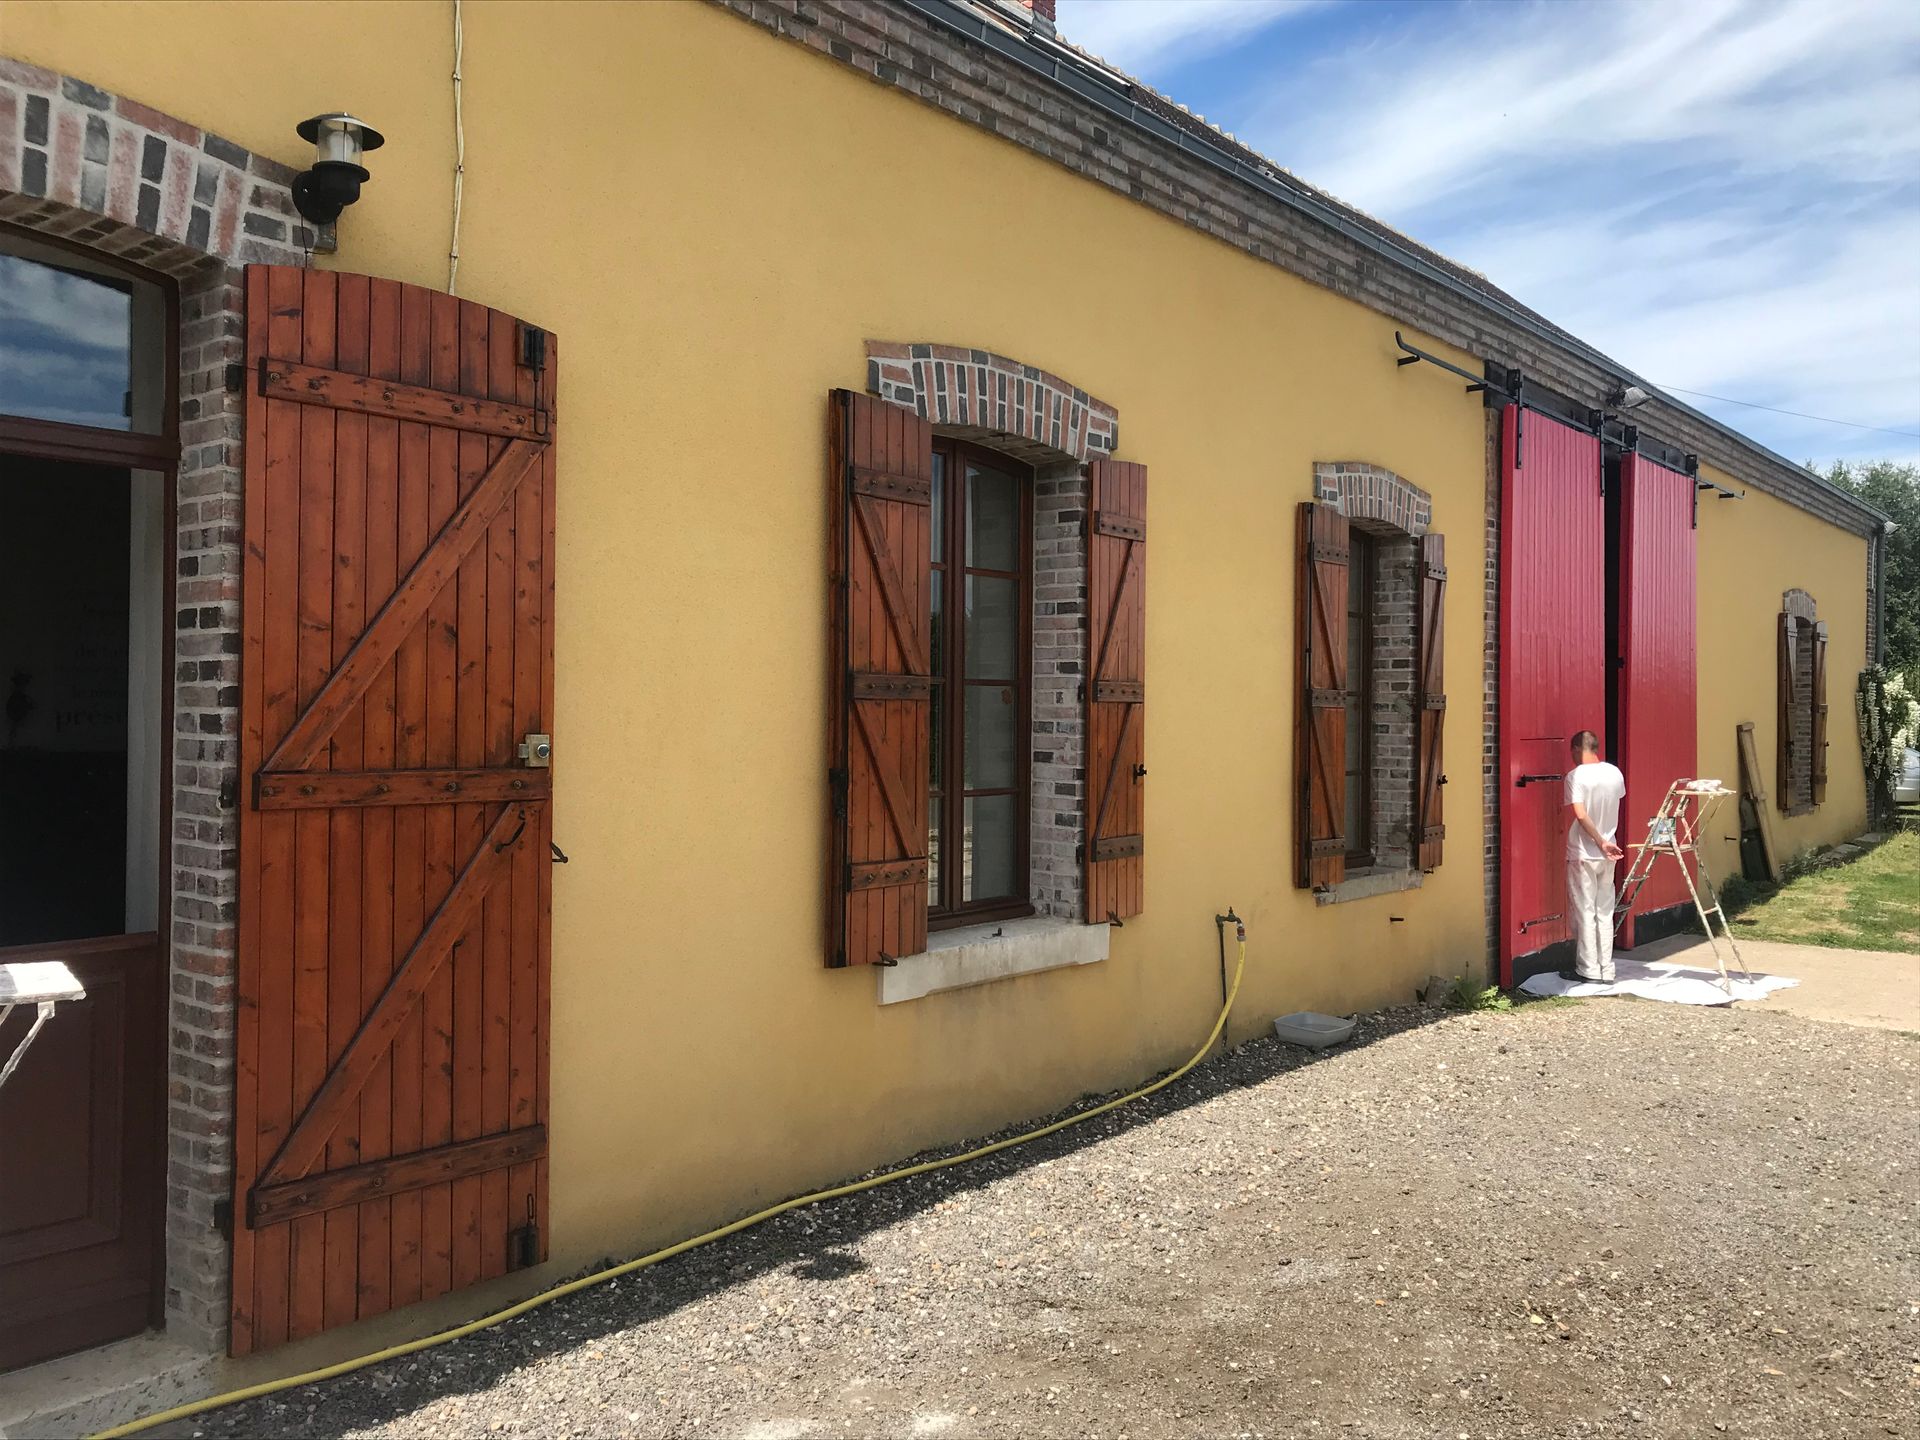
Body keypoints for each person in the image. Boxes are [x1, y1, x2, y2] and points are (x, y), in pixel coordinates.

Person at [1564, 730, 1626, 983]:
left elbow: (1580, 814)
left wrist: (1598, 841)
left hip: (1583, 851)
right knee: (1604, 909)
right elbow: (1615, 803)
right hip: (1609, 851)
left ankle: (1588, 969)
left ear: (1577, 748)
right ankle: (1607, 968)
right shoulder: (1614, 773)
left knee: (1584, 909)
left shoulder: (1575, 776)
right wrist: (1606, 841)